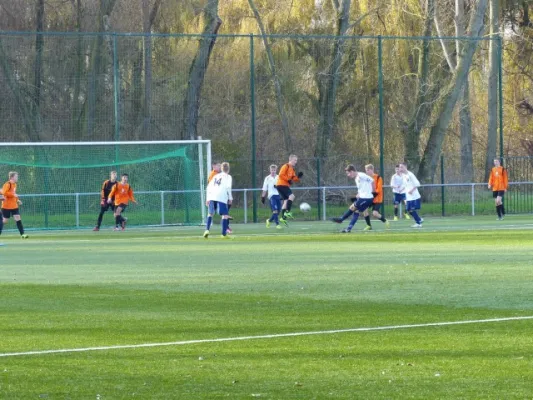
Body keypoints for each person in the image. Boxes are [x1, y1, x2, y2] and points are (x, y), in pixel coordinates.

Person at [330, 165, 375, 233]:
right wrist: (359, 193)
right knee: (355, 210)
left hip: (366, 198)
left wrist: (373, 192)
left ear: (352, 171)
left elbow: (372, 181)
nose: (348, 175)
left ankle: (341, 219)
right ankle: (348, 228)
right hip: (363, 197)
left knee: (353, 208)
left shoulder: (361, 175)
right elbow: (362, 187)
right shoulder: (356, 178)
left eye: (348, 173)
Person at [204, 162, 233, 239]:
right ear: (228, 169)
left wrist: (207, 199)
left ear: (221, 169)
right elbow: (228, 188)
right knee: (225, 215)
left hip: (212, 196)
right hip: (221, 196)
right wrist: (230, 198)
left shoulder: (216, 176)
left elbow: (209, 187)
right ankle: (223, 234)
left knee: (210, 214)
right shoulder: (228, 177)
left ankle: (207, 230)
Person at [276, 154, 303, 225]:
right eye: (295, 160)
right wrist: (288, 180)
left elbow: (294, 178)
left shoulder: (292, 169)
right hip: (281, 184)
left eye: (296, 160)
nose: (296, 162)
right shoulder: (286, 166)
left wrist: (298, 177)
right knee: (292, 196)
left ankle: (283, 218)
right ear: (290, 160)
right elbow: (281, 175)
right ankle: (287, 212)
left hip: (284, 185)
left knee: (286, 201)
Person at [1, 172, 28, 239]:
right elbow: (4, 193)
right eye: (16, 176)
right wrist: (13, 195)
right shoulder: (7, 184)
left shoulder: (15, 185)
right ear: (12, 177)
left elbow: (14, 194)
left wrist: (17, 200)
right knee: (4, 221)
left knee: (18, 219)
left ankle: (23, 234)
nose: (17, 178)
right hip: (6, 206)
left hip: (14, 206)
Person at [363, 164, 390, 231]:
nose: (366, 171)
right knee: (364, 209)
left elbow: (379, 189)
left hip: (377, 199)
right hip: (369, 198)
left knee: (375, 213)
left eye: (368, 170)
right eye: (366, 170)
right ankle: (369, 226)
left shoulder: (378, 178)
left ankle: (385, 221)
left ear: (372, 170)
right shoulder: (366, 178)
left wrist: (372, 193)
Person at [399, 162, 423, 228]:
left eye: (401, 167)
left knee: (412, 209)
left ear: (405, 167)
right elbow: (406, 185)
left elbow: (418, 184)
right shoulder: (403, 176)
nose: (400, 168)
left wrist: (411, 190)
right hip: (408, 197)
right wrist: (402, 189)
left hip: (414, 196)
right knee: (409, 210)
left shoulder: (410, 174)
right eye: (399, 167)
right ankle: (419, 220)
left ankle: (419, 223)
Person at [261, 164, 282, 230]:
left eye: (274, 170)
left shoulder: (279, 177)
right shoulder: (267, 178)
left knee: (278, 211)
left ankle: (269, 221)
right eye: (272, 170)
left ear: (276, 170)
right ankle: (277, 224)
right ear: (270, 170)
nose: (273, 171)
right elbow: (264, 189)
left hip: (278, 196)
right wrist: (263, 197)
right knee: (275, 210)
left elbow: (282, 186)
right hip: (271, 196)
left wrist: (278, 187)